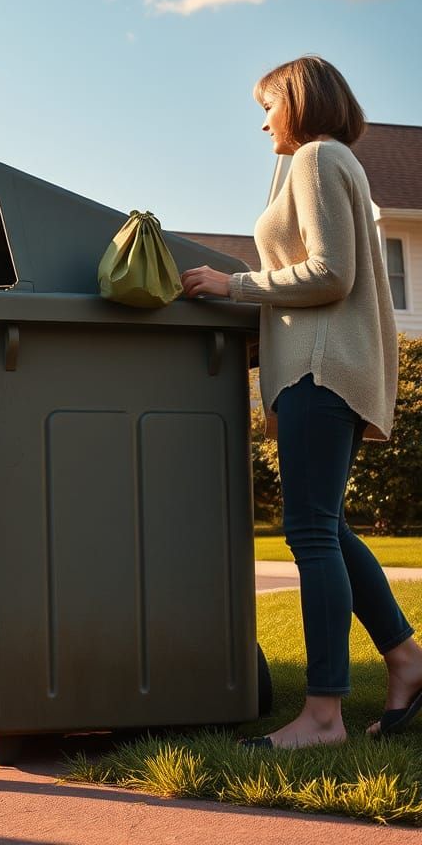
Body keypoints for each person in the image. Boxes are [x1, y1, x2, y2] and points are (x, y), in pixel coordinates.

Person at [181, 55, 422, 749]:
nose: (262, 122)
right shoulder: (322, 160)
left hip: (322, 368)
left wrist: (236, 287)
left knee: (312, 534)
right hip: (316, 370)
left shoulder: (318, 158)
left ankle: (323, 715)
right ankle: (406, 661)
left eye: (268, 106)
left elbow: (329, 273)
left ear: (297, 103)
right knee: (329, 529)